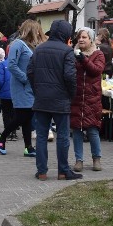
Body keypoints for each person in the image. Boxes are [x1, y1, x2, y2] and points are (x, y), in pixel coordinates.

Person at [27, 19, 79, 181]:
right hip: (61, 99)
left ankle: (42, 171)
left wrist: (37, 90)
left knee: (41, 135)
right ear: (66, 34)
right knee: (62, 136)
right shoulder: (67, 51)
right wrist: (71, 94)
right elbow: (70, 76)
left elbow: (30, 72)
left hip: (42, 98)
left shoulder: (39, 49)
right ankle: (63, 171)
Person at [0, 19, 45, 158]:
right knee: (22, 115)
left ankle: (28, 147)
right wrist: (24, 78)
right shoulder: (18, 44)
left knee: (28, 116)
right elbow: (11, 65)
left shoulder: (30, 46)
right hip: (21, 85)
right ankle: (2, 137)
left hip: (30, 85)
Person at [70, 27, 106, 172]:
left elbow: (96, 70)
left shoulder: (98, 54)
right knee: (77, 130)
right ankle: (79, 160)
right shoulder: (73, 54)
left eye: (84, 37)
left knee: (92, 130)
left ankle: (96, 158)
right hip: (77, 97)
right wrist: (76, 57)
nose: (81, 39)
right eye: (79, 37)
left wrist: (83, 59)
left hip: (92, 98)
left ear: (91, 39)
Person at [0, 47, 13, 138]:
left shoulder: (2, 64)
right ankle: (13, 132)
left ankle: (8, 132)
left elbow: (0, 81)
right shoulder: (20, 64)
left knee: (6, 113)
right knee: (15, 113)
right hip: (16, 93)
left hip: (5, 93)